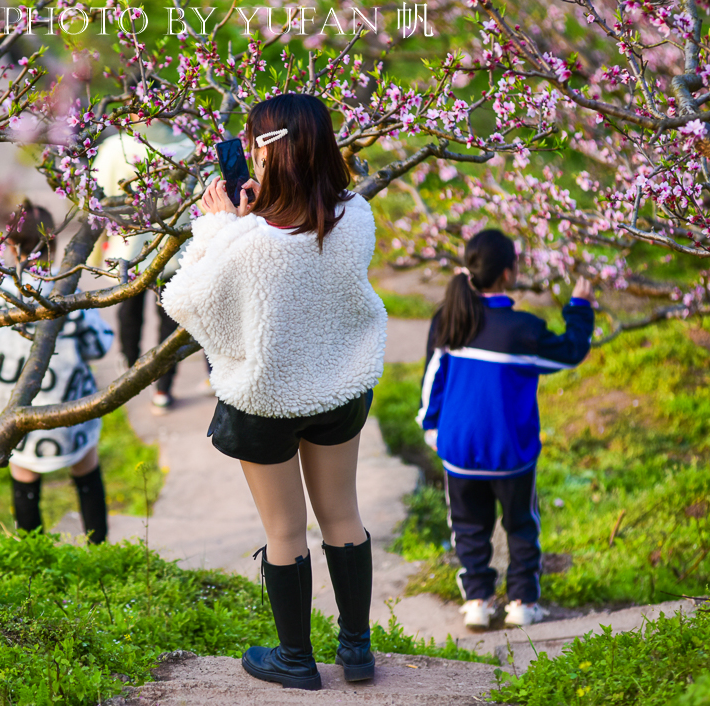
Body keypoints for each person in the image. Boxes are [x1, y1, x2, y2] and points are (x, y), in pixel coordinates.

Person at [163, 94, 388, 691]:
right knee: (343, 516)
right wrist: (256, 217)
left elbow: (185, 300)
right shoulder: (354, 215)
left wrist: (217, 225)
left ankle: (296, 660)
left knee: (286, 533)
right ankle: (357, 651)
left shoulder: (250, 240)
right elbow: (306, 253)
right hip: (339, 389)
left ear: (268, 152)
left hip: (267, 401)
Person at [416, 229, 595, 629]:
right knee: (520, 525)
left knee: (467, 527)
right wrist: (580, 306)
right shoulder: (522, 330)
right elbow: (570, 352)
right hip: (509, 451)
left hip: (459, 449)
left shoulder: (449, 318)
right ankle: (522, 602)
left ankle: (477, 600)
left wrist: (431, 426)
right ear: (509, 273)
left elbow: (432, 378)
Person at [0, 201, 115, 544]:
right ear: (54, 247)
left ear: (8, 246)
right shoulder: (65, 294)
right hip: (71, 414)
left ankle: (33, 550)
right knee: (86, 470)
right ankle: (99, 545)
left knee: (24, 477)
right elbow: (99, 344)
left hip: (19, 419)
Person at [91, 123, 196, 414]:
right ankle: (163, 387)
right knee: (169, 320)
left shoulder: (115, 148)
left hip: (129, 249)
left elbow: (95, 196)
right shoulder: (187, 146)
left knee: (129, 311)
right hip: (175, 248)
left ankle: (130, 365)